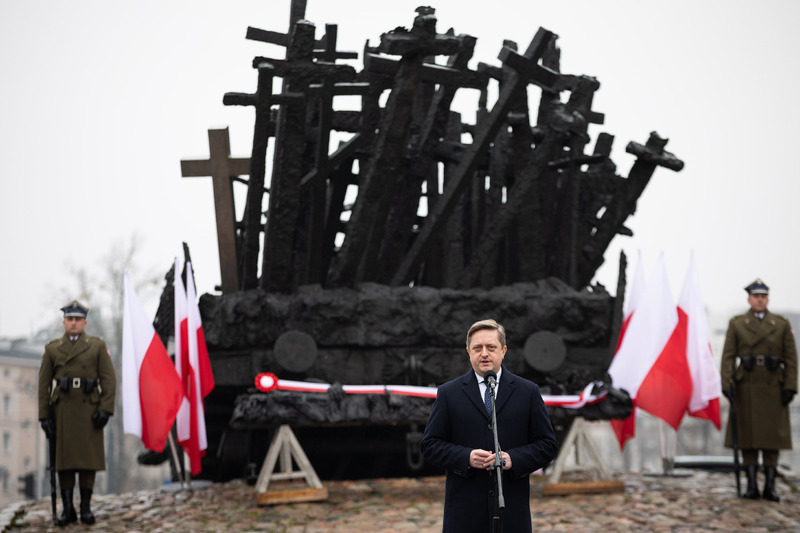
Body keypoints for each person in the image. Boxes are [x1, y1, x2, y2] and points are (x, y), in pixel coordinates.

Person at [420, 319, 558, 533]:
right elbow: (429, 445)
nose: (484, 353)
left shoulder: (527, 392)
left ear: (503, 351)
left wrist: (513, 459)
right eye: (477, 348)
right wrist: (466, 457)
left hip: (511, 513)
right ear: (469, 352)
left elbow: (547, 445)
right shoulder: (449, 393)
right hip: (464, 516)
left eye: (491, 347)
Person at [37, 300, 117, 525]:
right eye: (70, 320)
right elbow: (43, 384)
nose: (73, 324)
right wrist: (44, 416)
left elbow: (109, 380)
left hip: (89, 410)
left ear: (85, 323)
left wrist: (105, 409)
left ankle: (86, 508)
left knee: (87, 462)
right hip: (63, 410)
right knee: (64, 462)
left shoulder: (97, 346)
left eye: (77, 320)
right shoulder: (52, 348)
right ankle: (68, 509)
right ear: (64, 322)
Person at [720, 279, 797, 502]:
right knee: (748, 437)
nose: (760, 300)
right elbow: (727, 357)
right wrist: (727, 383)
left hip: (773, 385)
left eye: (763, 296)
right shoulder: (737, 324)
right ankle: (752, 485)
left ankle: (770, 486)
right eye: (756, 296)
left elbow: (791, 358)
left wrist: (791, 386)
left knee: (773, 438)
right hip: (747, 385)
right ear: (749, 299)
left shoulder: (780, 324)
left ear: (767, 299)